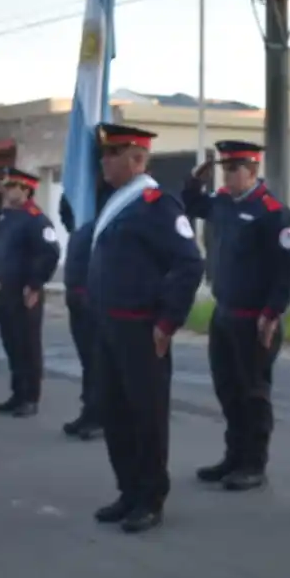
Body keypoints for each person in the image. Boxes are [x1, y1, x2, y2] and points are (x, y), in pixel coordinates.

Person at [87, 124, 204, 533]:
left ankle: (150, 498)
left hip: (141, 329)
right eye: (105, 153)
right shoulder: (117, 201)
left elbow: (189, 263)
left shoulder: (156, 204)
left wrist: (168, 320)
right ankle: (128, 490)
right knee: (115, 411)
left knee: (145, 414)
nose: (103, 161)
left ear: (137, 159)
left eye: (112, 153)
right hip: (109, 326)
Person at [182, 141, 290, 491]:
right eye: (225, 169)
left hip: (255, 319)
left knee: (253, 393)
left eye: (234, 169)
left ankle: (254, 464)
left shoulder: (272, 213)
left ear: (252, 171)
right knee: (228, 389)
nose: (228, 175)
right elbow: (191, 205)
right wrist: (196, 180)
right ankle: (233, 456)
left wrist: (272, 312)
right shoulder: (223, 202)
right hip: (224, 313)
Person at [0, 168, 60, 417]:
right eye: (6, 187)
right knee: (11, 343)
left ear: (26, 189)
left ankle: (30, 396)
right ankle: (17, 393)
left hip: (24, 291)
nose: (7, 191)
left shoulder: (35, 218)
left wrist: (35, 284)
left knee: (27, 345)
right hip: (6, 288)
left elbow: (49, 253)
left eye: (12, 187)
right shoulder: (7, 216)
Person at [59, 191, 103, 440]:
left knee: (98, 361)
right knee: (88, 361)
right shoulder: (79, 221)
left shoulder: (104, 217)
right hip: (75, 296)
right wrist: (72, 187)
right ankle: (89, 410)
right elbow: (65, 212)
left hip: (93, 297)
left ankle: (100, 416)